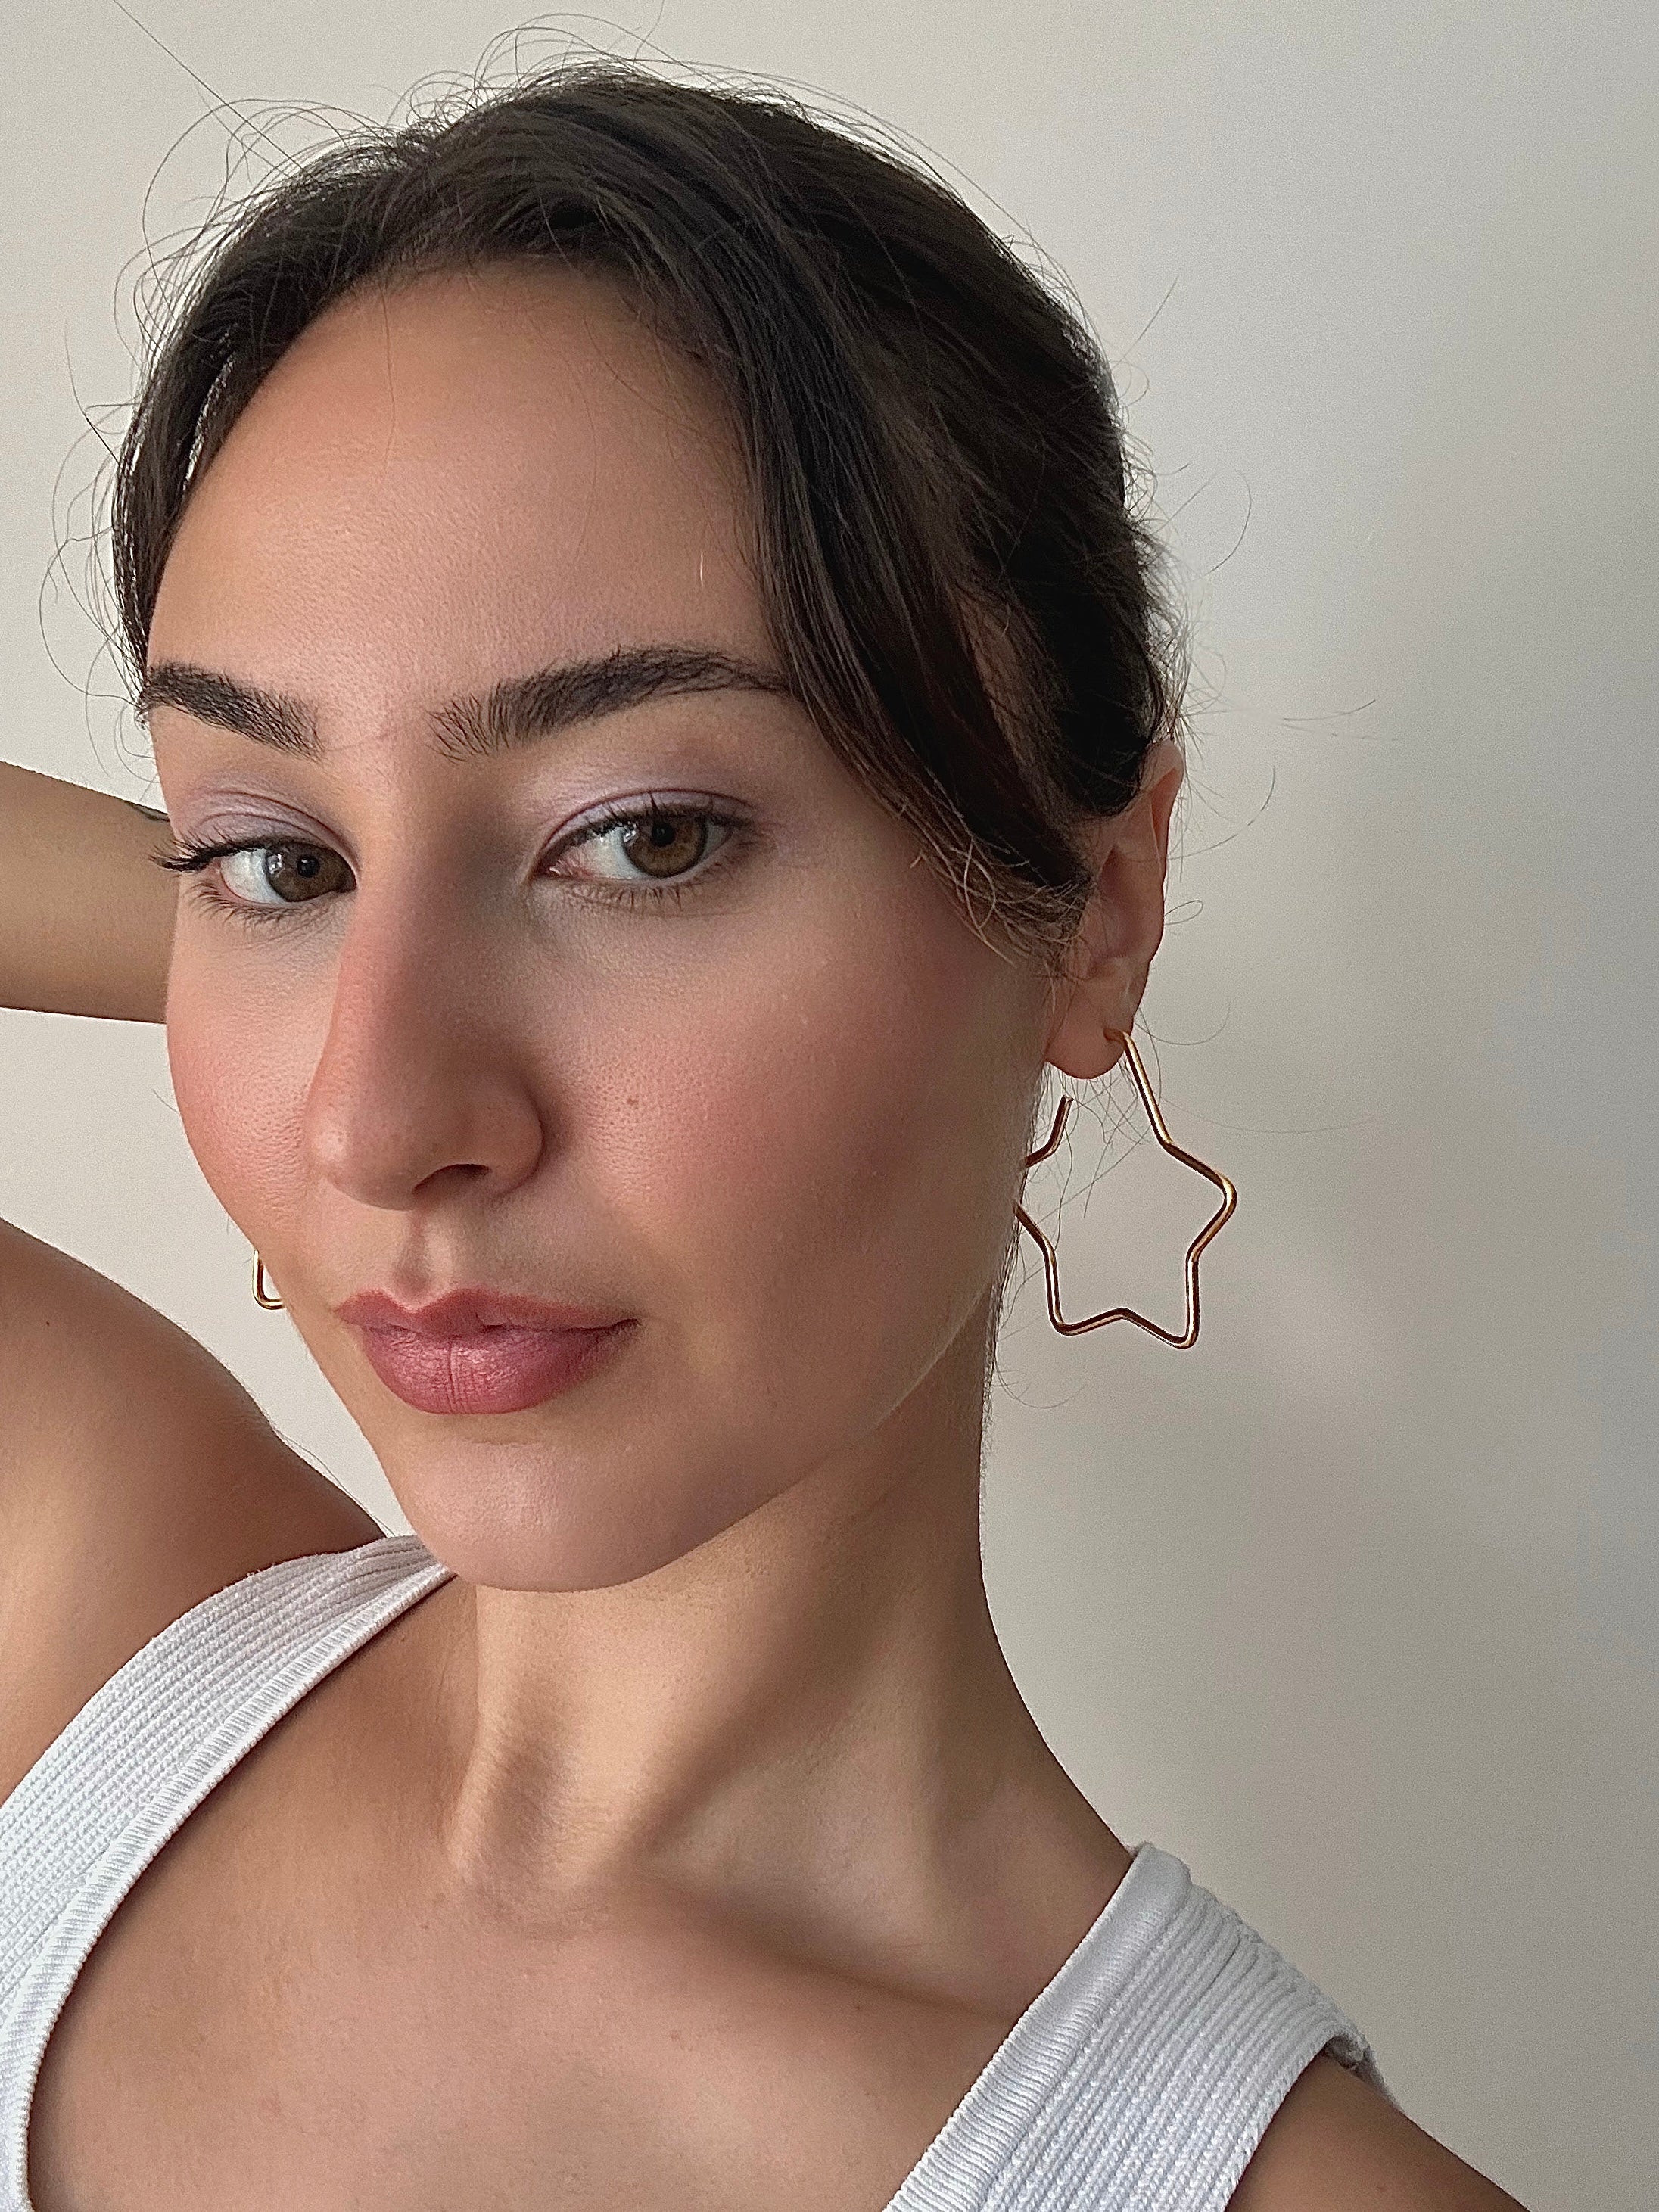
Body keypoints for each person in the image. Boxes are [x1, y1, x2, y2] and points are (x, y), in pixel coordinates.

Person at [0, 63, 1522, 2212]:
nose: (376, 1117)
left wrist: (307, 908)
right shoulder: (71, 1646)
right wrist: (252, 933)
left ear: (1097, 908)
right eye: (274, 852)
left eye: (648, 836)